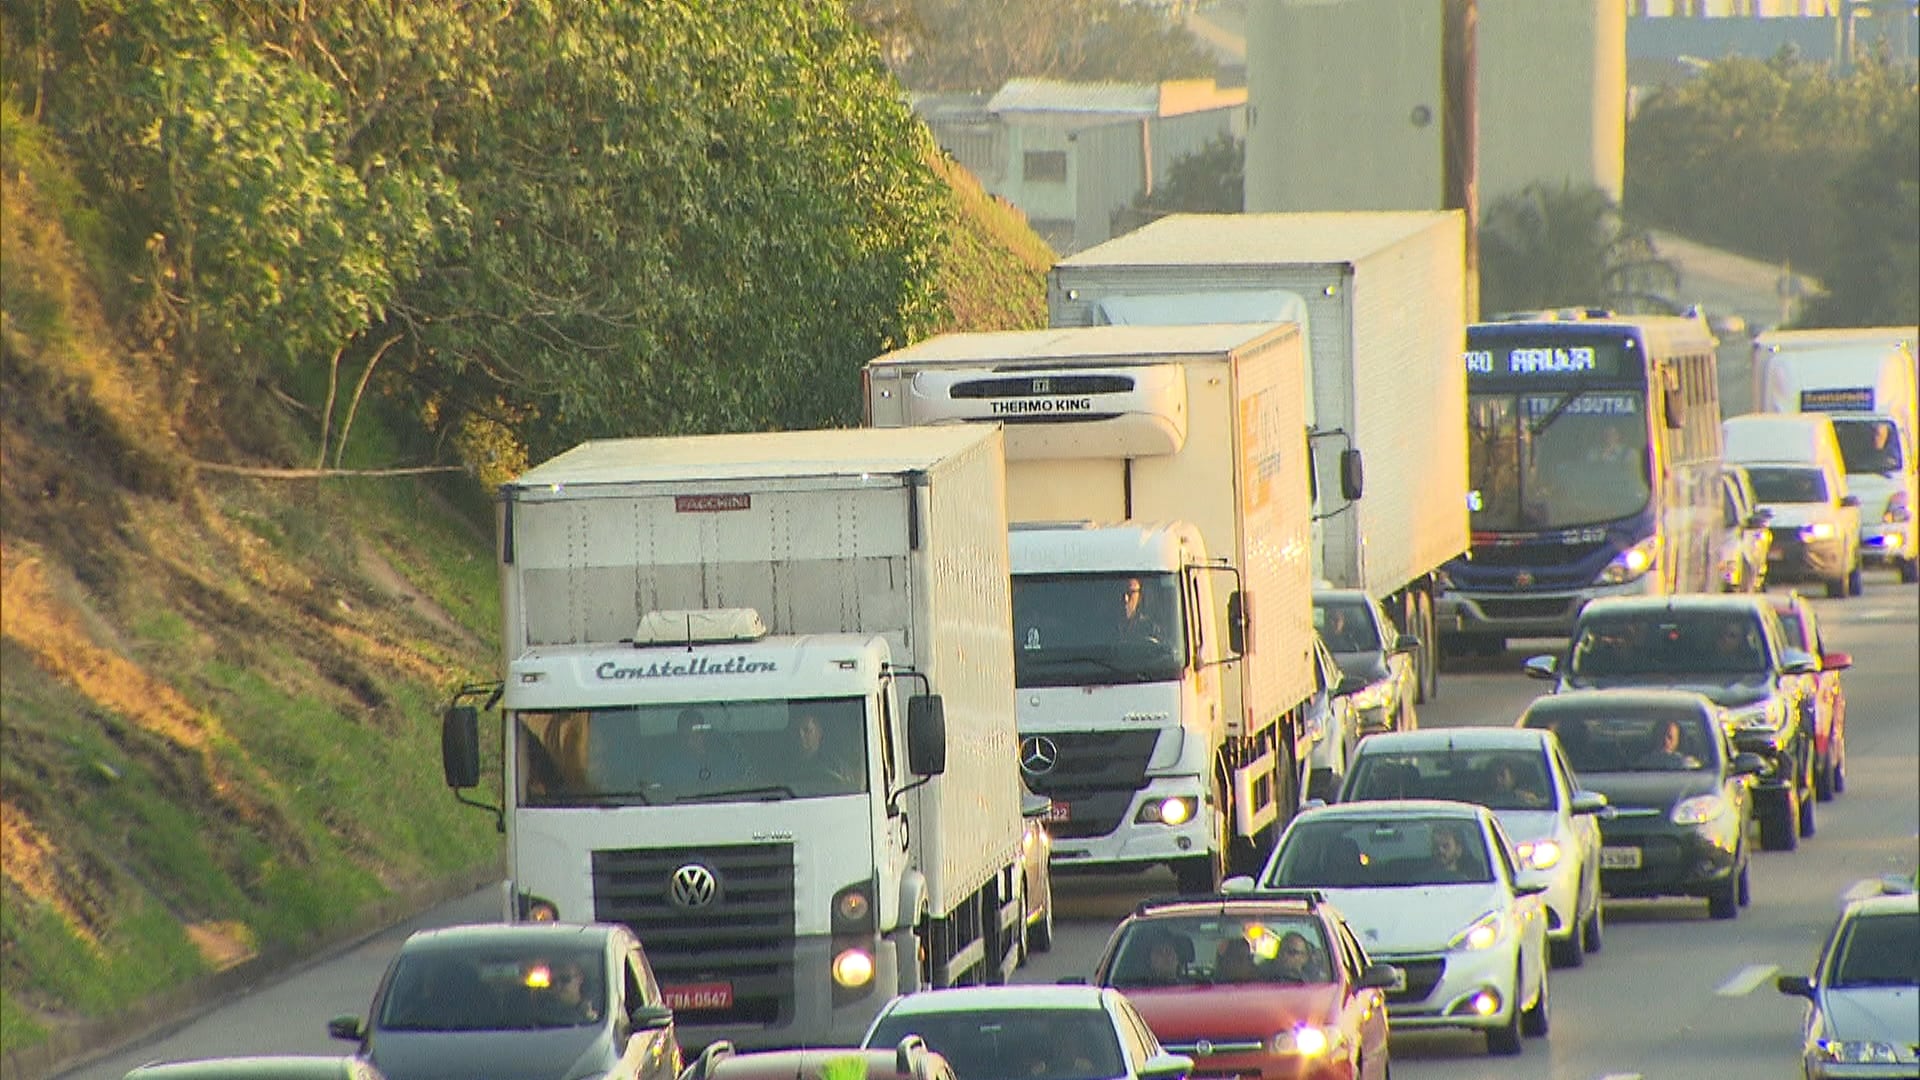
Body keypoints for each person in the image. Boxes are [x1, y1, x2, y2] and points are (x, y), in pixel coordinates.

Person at [656, 708, 746, 787]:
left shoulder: (725, 760)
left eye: (696, 734)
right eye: (686, 736)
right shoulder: (669, 766)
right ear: (680, 737)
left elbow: (739, 786)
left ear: (705, 734)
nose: (691, 741)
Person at [790, 709, 860, 791]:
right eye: (796, 731)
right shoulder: (787, 766)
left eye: (807, 731)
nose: (801, 736)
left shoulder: (835, 766)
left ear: (819, 732)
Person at [1635, 717, 1700, 770]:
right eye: (1661, 735)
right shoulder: (1643, 765)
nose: (1665, 740)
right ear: (1655, 737)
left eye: (1670, 737)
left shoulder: (1688, 765)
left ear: (1678, 740)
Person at [1114, 577, 1163, 644]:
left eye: (1131, 593)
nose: (1125, 599)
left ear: (1140, 596)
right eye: (1122, 593)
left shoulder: (1149, 629)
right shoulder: (1105, 628)